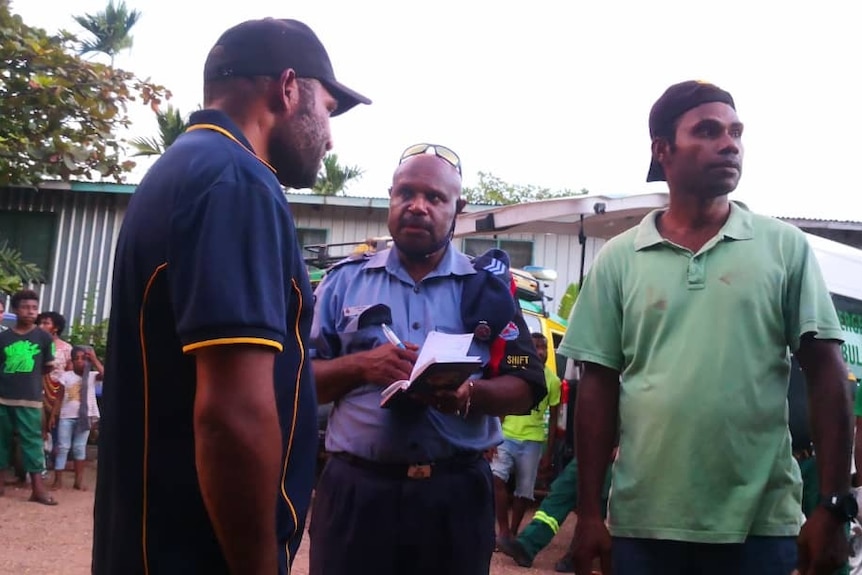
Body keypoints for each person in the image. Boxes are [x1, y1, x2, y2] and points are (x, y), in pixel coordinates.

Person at [92, 18, 370, 575]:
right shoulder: (236, 183)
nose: (331, 136)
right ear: (288, 89)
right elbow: (231, 414)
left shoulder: (179, 169)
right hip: (195, 554)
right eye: (329, 110)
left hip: (147, 542)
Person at [562, 80, 852, 575]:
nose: (730, 144)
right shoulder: (619, 259)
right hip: (643, 526)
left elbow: (827, 376)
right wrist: (590, 513)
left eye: (736, 132)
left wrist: (832, 505)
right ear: (663, 149)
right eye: (708, 131)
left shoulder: (783, 247)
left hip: (760, 529)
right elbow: (596, 389)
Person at [309, 143, 546, 575]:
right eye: (406, 194)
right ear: (391, 197)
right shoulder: (343, 283)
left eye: (435, 197)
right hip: (357, 494)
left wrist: (468, 394)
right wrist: (362, 366)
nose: (417, 206)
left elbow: (525, 385)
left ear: (458, 207)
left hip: (454, 499)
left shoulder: (488, 289)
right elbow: (293, 382)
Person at [492, 332, 562, 545]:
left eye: (544, 347)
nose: (541, 351)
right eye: (536, 347)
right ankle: (502, 531)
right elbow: (501, 404)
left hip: (533, 440)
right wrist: (494, 436)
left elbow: (554, 419)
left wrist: (548, 453)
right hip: (507, 435)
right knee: (496, 478)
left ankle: (512, 533)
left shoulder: (553, 380)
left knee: (525, 490)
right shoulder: (516, 371)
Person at [498, 455, 614, 572]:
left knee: (597, 502)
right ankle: (527, 544)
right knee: (560, 492)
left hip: (618, 461)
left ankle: (578, 553)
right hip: (588, 455)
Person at [0, 289, 56, 505]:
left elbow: (46, 368)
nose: (30, 311)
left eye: (34, 308)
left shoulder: (43, 336)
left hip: (30, 399)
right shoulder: (3, 337)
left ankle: (38, 489)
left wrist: (27, 382)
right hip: (2, 398)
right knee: (1, 442)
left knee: (32, 442)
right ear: (15, 309)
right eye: (25, 307)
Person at [52, 345, 102, 491]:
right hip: (66, 417)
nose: (80, 362)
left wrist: (93, 358)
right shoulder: (66, 376)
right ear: (72, 361)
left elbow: (105, 374)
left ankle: (78, 480)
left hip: (84, 418)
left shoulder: (92, 376)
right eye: (76, 359)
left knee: (79, 448)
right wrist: (53, 415)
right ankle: (57, 480)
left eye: (83, 359)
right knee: (62, 447)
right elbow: (59, 397)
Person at [36, 311, 71, 468]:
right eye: (40, 323)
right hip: (38, 392)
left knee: (57, 430)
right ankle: (39, 464)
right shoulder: (34, 345)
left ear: (55, 328)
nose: (41, 326)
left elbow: (70, 374)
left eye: (46, 323)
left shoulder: (66, 348)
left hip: (60, 395)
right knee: (39, 428)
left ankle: (56, 465)